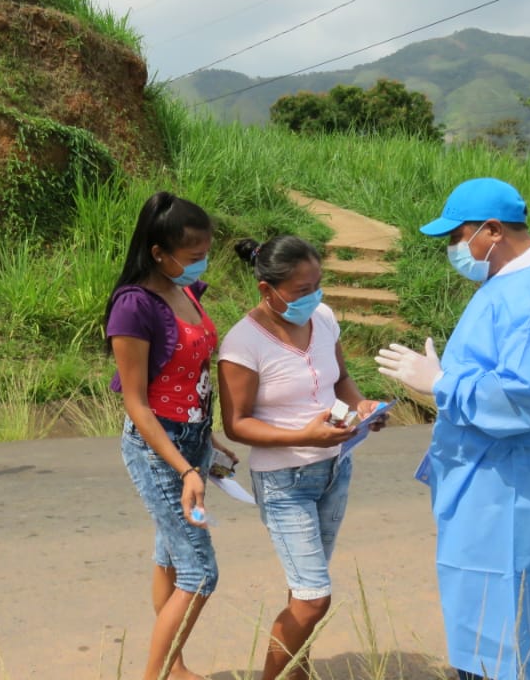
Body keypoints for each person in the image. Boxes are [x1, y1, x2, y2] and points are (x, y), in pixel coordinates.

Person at [374, 177, 530, 680]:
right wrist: (450, 374)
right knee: (483, 613)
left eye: (458, 235)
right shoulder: (515, 280)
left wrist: (444, 385)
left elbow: (526, 395)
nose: (454, 248)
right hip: (492, 475)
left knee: (502, 629)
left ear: (492, 231)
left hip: (508, 483)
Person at [218, 235, 386, 680]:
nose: (312, 296)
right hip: (284, 482)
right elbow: (236, 423)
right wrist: (303, 434)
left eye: (318, 284)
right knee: (314, 597)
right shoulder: (242, 344)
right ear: (266, 290)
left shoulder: (323, 317)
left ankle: (298, 672)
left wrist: (363, 408)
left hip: (335, 469)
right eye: (299, 290)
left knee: (306, 592)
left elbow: (342, 379)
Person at [104, 191, 237, 680]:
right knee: (201, 571)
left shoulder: (187, 292)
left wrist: (208, 437)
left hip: (193, 438)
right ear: (159, 253)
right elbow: (137, 403)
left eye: (205, 252)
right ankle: (156, 675)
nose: (201, 263)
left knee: (169, 555)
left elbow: (191, 373)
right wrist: (184, 470)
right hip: (159, 449)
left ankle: (174, 666)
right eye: (193, 255)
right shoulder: (133, 308)